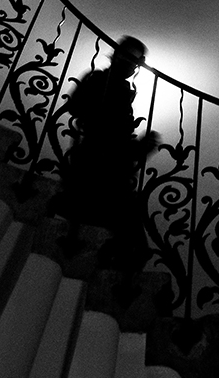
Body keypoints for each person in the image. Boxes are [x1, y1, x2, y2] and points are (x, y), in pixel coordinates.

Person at [61, 36, 160, 274]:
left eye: (135, 61)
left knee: (125, 227)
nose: (130, 64)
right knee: (120, 223)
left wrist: (138, 147)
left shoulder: (122, 89)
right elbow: (78, 108)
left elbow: (118, 135)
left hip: (111, 164)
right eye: (127, 57)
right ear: (115, 55)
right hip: (96, 164)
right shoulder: (99, 80)